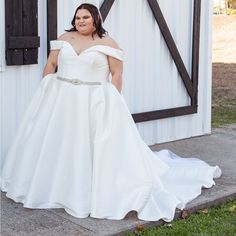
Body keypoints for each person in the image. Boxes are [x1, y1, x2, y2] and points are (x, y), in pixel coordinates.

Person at [1, 3, 222, 222]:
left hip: (92, 101)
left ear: (96, 19)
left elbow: (116, 76)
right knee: (59, 142)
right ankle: (53, 186)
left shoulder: (109, 44)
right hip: (62, 98)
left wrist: (111, 103)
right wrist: (47, 86)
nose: (80, 21)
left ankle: (86, 192)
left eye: (85, 17)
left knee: (89, 145)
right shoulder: (64, 38)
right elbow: (51, 63)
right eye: (77, 18)